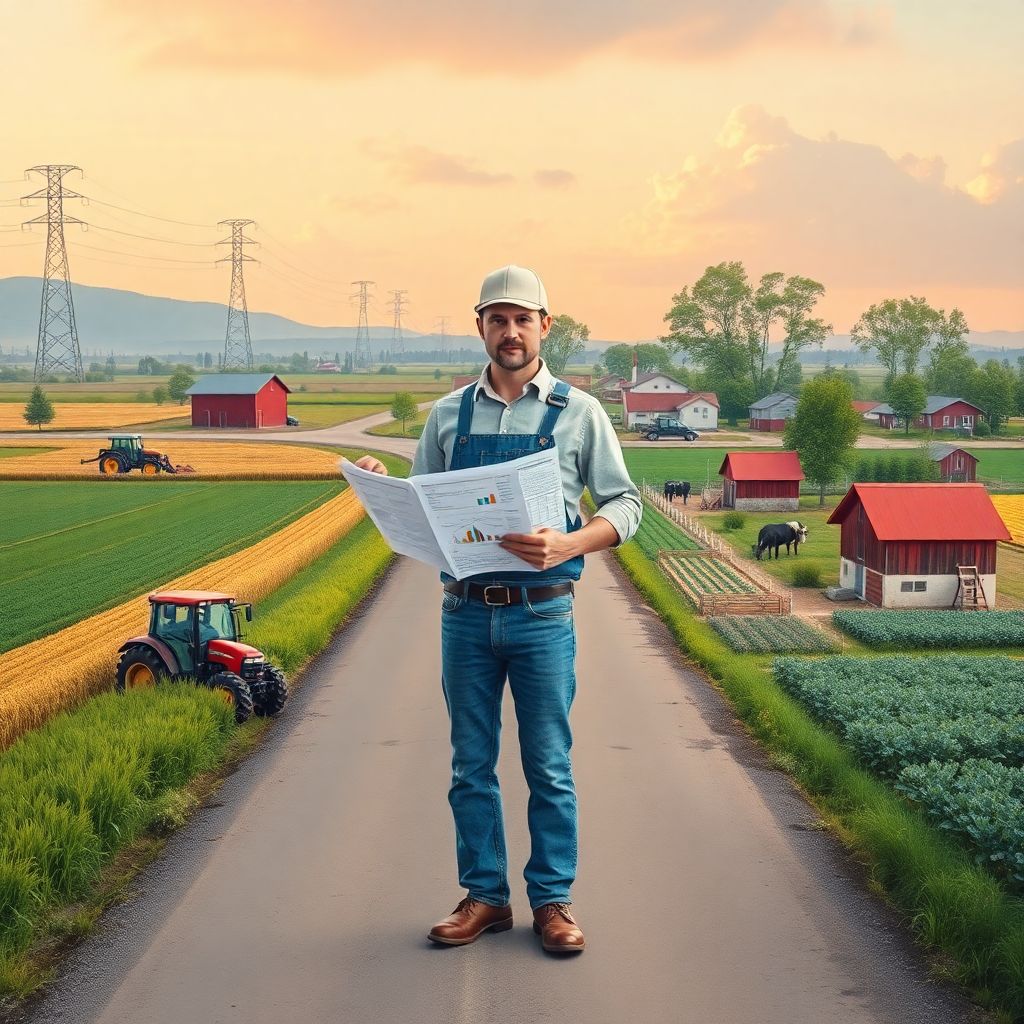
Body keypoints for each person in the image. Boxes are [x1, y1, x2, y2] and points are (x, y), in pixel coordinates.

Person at [355, 264, 641, 954]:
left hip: (543, 614)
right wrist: (379, 487)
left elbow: (627, 507)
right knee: (469, 764)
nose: (509, 332)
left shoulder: (579, 413)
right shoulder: (450, 414)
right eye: (496, 319)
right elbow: (425, 503)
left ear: (546, 325)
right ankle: (485, 896)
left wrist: (570, 540)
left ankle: (553, 902)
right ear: (479, 324)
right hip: (465, 614)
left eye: (522, 319)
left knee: (548, 764)